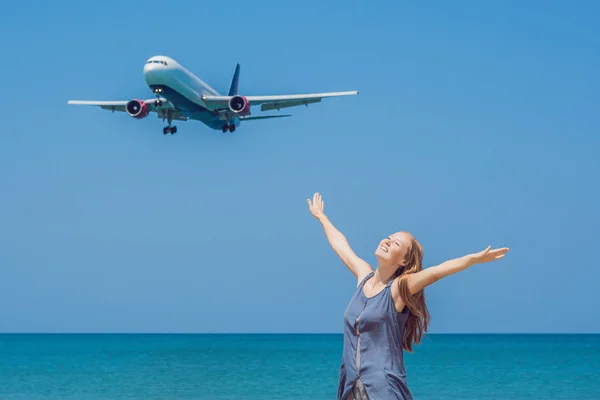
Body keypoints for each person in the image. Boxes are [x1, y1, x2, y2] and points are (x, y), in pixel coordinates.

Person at [306, 192, 509, 400]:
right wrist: (321, 216)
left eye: (395, 244)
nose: (387, 241)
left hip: (383, 390)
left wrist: (471, 259)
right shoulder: (363, 276)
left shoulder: (398, 289)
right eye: (389, 237)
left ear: (403, 262)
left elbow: (435, 272)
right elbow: (341, 245)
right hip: (349, 388)